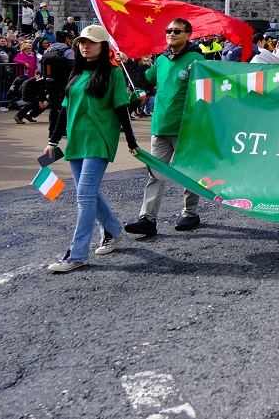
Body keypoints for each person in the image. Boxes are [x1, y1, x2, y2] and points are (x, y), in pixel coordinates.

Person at [44, 25, 138, 273]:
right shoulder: (75, 73)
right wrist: (53, 141)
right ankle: (115, 231)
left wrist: (131, 142)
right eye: (82, 42)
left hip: (99, 140)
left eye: (91, 42)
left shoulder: (114, 74)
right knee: (90, 194)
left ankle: (76, 254)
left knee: (84, 197)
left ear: (102, 45)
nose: (85, 46)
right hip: (76, 140)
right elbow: (64, 109)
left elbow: (122, 109)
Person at [123, 18, 205, 236]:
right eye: (168, 30)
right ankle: (147, 219)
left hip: (185, 127)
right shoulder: (161, 59)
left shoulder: (196, 59)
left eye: (177, 31)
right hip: (160, 125)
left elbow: (206, 93)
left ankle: (190, 213)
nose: (171, 34)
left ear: (189, 35)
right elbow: (144, 82)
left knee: (188, 172)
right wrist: (128, 62)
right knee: (155, 173)